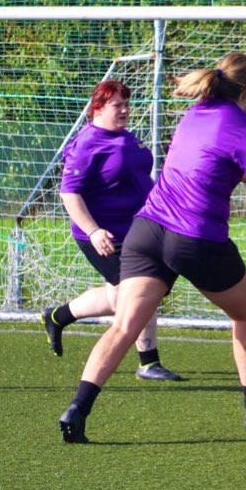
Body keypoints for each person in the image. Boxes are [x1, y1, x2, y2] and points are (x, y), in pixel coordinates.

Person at [57, 52, 246, 443]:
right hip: (195, 237)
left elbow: (216, 166)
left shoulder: (194, 114)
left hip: (146, 229)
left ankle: (77, 409)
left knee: (124, 325)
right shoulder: (245, 127)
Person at [41, 79, 182, 381]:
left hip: (139, 230)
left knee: (124, 295)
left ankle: (58, 315)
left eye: (127, 104)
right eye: (118, 105)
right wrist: (94, 231)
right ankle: (148, 361)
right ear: (98, 108)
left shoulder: (127, 137)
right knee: (140, 290)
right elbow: (69, 194)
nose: (125, 110)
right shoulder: (86, 144)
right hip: (104, 235)